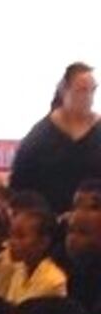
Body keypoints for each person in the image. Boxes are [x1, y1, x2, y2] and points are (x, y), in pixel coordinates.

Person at [10, 62, 101, 217]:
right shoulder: (40, 136)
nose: (88, 98)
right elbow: (20, 185)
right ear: (64, 91)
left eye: (92, 91)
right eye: (81, 91)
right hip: (48, 222)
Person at [4, 205, 68, 303]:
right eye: (11, 235)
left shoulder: (53, 280)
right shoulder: (19, 269)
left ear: (43, 242)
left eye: (20, 236)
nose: (12, 242)